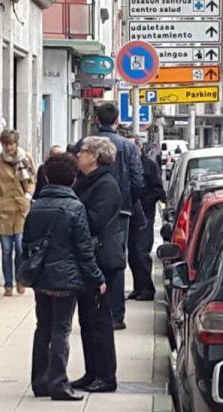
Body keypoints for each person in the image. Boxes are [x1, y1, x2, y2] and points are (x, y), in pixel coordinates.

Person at [24, 153, 106, 401]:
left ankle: (40, 382)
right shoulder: (74, 207)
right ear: (72, 178)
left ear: (47, 177)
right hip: (66, 278)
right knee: (61, 329)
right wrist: (96, 278)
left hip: (41, 278)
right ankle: (58, 383)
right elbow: (84, 249)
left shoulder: (36, 207)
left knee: (43, 328)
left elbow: (26, 244)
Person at [73, 102, 144, 329]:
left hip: (91, 209)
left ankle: (95, 309)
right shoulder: (127, 146)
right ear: (116, 121)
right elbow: (137, 178)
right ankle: (115, 313)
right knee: (115, 260)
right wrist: (130, 202)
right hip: (121, 211)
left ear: (96, 120)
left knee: (90, 257)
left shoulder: (85, 145)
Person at [71, 136, 122, 393]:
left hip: (102, 260)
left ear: (95, 156)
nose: (78, 155)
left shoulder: (105, 185)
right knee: (87, 320)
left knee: (100, 321)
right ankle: (92, 372)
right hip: (87, 259)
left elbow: (94, 222)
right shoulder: (85, 181)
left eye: (82, 151)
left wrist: (72, 209)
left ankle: (105, 375)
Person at [0, 129, 37, 297]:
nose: (9, 148)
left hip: (22, 209)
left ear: (17, 143)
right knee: (6, 249)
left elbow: (32, 180)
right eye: (5, 144)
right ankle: (8, 284)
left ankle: (20, 280)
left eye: (11, 144)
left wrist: (28, 196)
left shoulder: (25, 158)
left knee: (20, 247)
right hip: (4, 211)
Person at [127, 137, 166, 301]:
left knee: (141, 251)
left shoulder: (148, 165)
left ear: (140, 147)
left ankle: (146, 289)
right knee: (133, 254)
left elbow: (157, 190)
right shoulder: (128, 165)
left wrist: (143, 201)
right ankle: (138, 287)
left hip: (145, 214)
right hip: (132, 213)